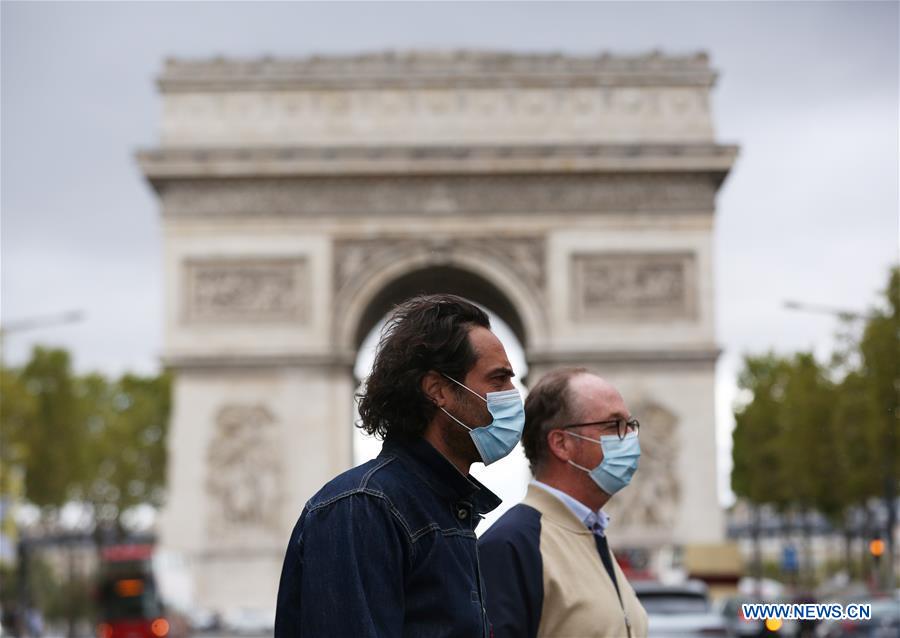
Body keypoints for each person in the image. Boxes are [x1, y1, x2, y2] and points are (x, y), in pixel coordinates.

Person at [275, 294, 524, 637]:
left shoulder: (449, 509)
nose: (514, 393)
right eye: (499, 379)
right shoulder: (360, 509)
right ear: (438, 390)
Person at [478, 367, 649, 638]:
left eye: (630, 425)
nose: (628, 437)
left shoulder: (591, 533)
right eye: (613, 425)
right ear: (561, 443)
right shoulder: (509, 546)